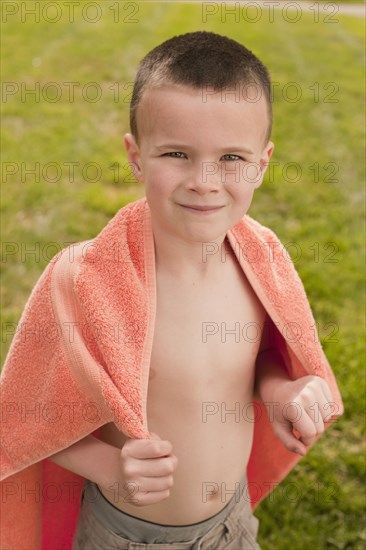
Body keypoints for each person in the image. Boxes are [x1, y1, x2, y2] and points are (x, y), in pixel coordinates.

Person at [0, 31, 343, 550]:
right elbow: (25, 414)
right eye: (177, 153)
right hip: (125, 535)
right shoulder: (86, 280)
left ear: (263, 163)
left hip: (232, 521)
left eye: (231, 158)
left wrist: (280, 390)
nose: (204, 180)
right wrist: (108, 467)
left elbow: (260, 359)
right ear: (136, 157)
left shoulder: (261, 260)